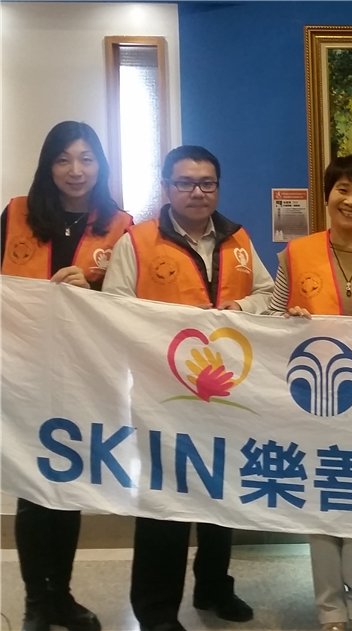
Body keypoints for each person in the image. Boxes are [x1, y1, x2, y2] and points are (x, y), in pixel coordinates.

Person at [102, 145, 274, 631]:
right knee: (165, 503)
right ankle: (156, 611)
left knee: (221, 496)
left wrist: (239, 310)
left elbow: (268, 292)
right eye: (185, 183)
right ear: (166, 187)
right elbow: (113, 309)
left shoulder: (237, 238)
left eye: (207, 183)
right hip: (162, 397)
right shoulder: (138, 242)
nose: (197, 192)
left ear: (217, 187)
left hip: (228, 392)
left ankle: (214, 587)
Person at [2, 120, 133, 631]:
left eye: (86, 158)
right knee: (34, 488)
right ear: (48, 165)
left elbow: (132, 305)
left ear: (100, 164)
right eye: (63, 159)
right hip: (24, 372)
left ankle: (62, 595)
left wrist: (93, 291)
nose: (75, 170)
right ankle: (37, 601)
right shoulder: (16, 213)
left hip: (85, 374)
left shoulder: (120, 226)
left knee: (69, 485)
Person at [269, 155, 352, 631]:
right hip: (312, 401)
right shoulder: (296, 253)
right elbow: (271, 314)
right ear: (327, 194)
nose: (351, 200)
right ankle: (329, 609)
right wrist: (287, 321)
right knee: (321, 502)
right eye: (342, 189)